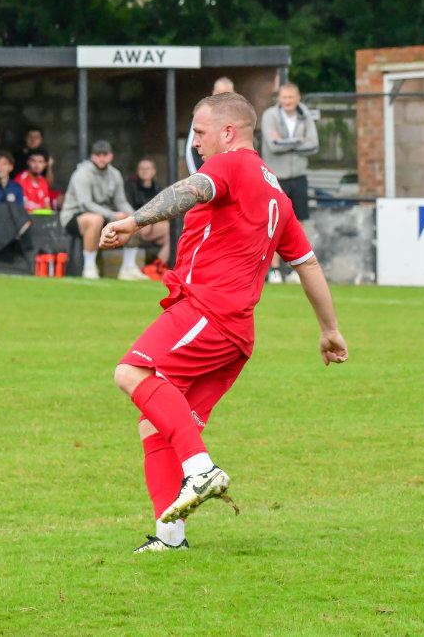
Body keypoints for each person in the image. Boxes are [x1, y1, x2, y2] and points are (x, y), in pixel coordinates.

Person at [100, 92, 348, 553]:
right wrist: (329, 329)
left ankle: (201, 469)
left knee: (129, 373)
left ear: (229, 133)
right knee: (154, 424)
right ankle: (170, 539)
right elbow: (308, 264)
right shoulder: (278, 194)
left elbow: (191, 190)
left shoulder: (231, 165)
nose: (195, 142)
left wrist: (132, 222)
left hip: (208, 312)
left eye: (200, 132)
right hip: (236, 335)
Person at [61, 140, 146, 281]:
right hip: (74, 215)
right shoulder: (82, 173)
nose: (101, 159)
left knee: (133, 220)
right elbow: (85, 204)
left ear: (111, 156)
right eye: (97, 155)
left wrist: (135, 216)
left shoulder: (115, 174)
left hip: (104, 215)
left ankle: (128, 267)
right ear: (92, 156)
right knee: (95, 220)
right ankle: (89, 267)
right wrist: (113, 215)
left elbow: (120, 201)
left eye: (104, 155)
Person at [261, 82, 319, 285]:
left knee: (299, 225)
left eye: (291, 97)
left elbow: (314, 145)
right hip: (277, 178)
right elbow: (273, 145)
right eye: (284, 97)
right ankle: (275, 270)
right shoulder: (269, 115)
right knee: (276, 224)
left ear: (298, 98)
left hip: (299, 176)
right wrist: (298, 141)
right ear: (280, 98)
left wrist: (285, 142)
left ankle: (296, 271)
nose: (287, 101)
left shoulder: (305, 116)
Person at [125, 158, 171, 279]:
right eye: (141, 169)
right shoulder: (130, 186)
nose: (144, 171)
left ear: (154, 171)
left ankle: (157, 266)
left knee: (172, 233)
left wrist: (150, 220)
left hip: (151, 225)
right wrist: (143, 220)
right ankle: (152, 268)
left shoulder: (157, 187)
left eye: (147, 168)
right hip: (135, 225)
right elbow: (127, 207)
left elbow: (162, 210)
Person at [186, 77, 234, 175]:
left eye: (226, 93)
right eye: (219, 93)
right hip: (208, 175)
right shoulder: (202, 115)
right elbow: (191, 150)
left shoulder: (239, 116)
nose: (222, 97)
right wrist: (197, 176)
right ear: (213, 93)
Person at [14, 147, 53, 212]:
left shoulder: (43, 181)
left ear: (45, 164)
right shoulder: (21, 180)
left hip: (41, 217)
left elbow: (47, 207)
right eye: (33, 161)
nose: (37, 165)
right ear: (28, 162)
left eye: (40, 162)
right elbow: (21, 209)